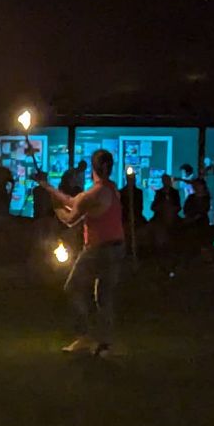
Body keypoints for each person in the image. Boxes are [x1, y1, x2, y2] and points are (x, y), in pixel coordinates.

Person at [37, 148, 125, 356]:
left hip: (98, 248)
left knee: (73, 287)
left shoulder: (95, 193)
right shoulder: (110, 189)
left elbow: (69, 218)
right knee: (104, 296)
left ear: (92, 168)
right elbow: (73, 202)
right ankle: (104, 344)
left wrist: (53, 203)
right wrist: (48, 187)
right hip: (116, 246)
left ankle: (85, 336)